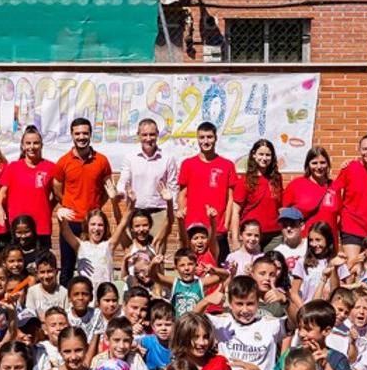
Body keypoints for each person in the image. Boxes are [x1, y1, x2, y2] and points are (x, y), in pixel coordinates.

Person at [52, 117, 115, 281]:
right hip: (71, 222)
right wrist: (67, 204)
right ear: (72, 135)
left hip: (92, 223)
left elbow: (108, 189)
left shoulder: (102, 161)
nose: (81, 137)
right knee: (67, 269)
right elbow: (57, 187)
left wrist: (96, 207)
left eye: (85, 133)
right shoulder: (63, 162)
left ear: (90, 134)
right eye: (78, 134)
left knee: (94, 266)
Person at [119, 118, 178, 246]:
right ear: (138, 135)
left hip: (159, 213)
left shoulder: (168, 158)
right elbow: (123, 181)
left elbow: (173, 186)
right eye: (144, 135)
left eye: (152, 134)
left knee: (157, 251)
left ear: (157, 134)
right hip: (135, 212)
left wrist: (172, 212)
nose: (148, 138)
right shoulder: (130, 158)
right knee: (135, 253)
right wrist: (120, 193)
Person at [178, 122, 236, 249]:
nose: (206, 141)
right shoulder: (187, 164)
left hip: (217, 229)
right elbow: (182, 195)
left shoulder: (227, 165)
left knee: (219, 261)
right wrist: (182, 221)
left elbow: (230, 198)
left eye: (209, 137)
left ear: (216, 138)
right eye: (202, 137)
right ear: (197, 139)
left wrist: (226, 224)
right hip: (193, 229)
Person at [331, 135, 367, 258]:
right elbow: (335, 190)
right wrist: (337, 214)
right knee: (353, 264)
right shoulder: (350, 167)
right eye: (365, 149)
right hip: (352, 225)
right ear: (359, 150)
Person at [231, 140, 284, 250]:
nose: (264, 158)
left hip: (274, 235)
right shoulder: (245, 181)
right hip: (252, 235)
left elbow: (279, 206)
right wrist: (235, 239)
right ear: (254, 155)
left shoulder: (276, 179)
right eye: (261, 154)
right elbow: (235, 212)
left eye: (268, 155)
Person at [282, 147, 337, 231]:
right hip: (304, 237)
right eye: (314, 163)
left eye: (322, 162)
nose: (319, 167)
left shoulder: (335, 186)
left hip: (330, 238)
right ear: (308, 165)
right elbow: (282, 211)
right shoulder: (296, 184)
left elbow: (340, 215)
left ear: (328, 164)